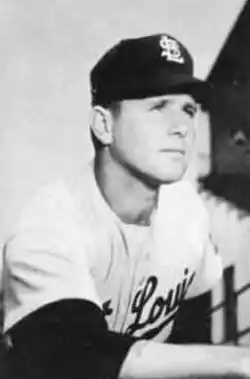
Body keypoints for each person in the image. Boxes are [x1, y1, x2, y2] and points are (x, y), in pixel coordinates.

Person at [2, 33, 249, 379]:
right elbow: (75, 358)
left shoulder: (186, 211)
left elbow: (193, 324)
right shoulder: (49, 227)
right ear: (105, 125)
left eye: (189, 109)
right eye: (158, 106)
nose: (181, 127)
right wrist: (237, 361)